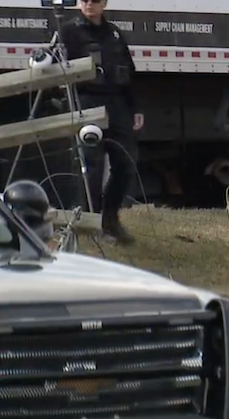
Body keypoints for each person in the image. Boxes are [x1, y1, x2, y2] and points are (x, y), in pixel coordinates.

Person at [58, 0, 143, 244]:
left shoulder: (114, 33)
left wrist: (135, 108)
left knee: (126, 164)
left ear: (104, 3)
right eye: (84, 0)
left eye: (95, 0)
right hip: (87, 103)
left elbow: (128, 73)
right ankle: (92, 225)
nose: (89, 5)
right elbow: (57, 70)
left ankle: (110, 219)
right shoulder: (68, 32)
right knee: (91, 168)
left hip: (116, 105)